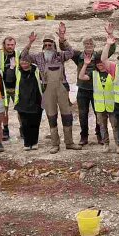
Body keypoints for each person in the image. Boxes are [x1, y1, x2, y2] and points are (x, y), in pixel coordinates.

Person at [25, 24, 80, 153]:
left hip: (62, 89)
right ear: (43, 46)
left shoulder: (60, 56)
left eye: (50, 45)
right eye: (46, 45)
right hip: (47, 90)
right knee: (51, 116)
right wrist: (30, 43)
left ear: (54, 46)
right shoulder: (38, 57)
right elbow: (23, 57)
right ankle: (55, 144)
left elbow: (71, 53)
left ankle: (69, 142)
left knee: (67, 116)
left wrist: (63, 39)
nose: (48, 47)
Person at [0, 36, 24, 142]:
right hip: (3, 87)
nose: (10, 47)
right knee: (4, 111)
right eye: (8, 45)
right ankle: (5, 130)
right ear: (4, 44)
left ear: (15, 45)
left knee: (21, 110)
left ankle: (23, 129)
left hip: (17, 87)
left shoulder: (19, 54)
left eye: (12, 45)